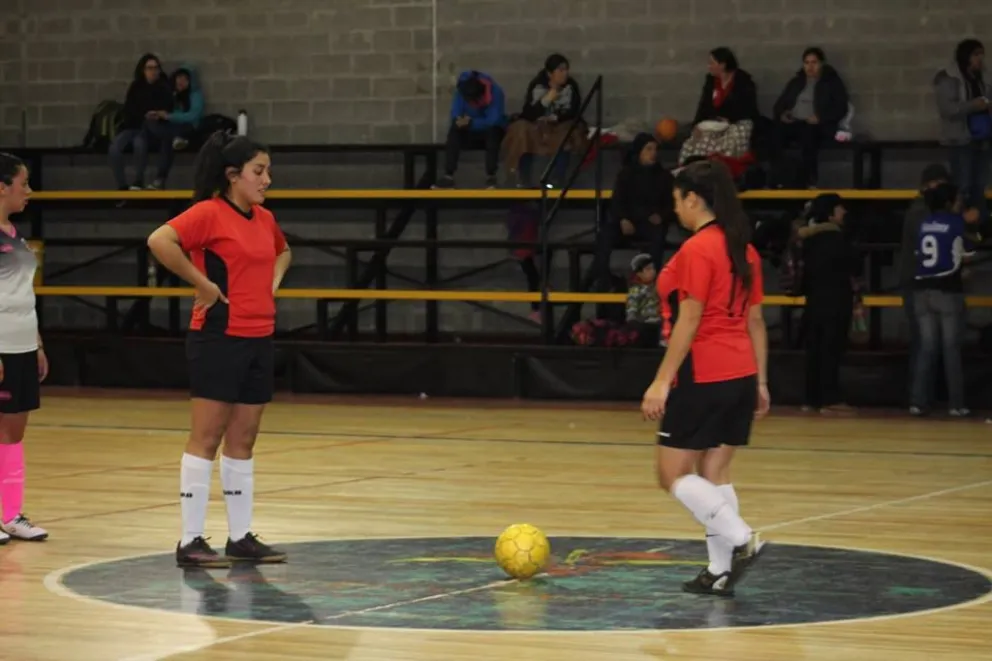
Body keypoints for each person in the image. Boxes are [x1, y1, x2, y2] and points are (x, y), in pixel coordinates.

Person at [146, 132, 293, 567]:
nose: (267, 179)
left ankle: (240, 537)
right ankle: (190, 541)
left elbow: (284, 252)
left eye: (267, 170)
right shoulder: (209, 213)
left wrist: (273, 281)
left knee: (243, 439)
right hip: (218, 337)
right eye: (258, 171)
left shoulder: (264, 219)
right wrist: (203, 283)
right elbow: (159, 240)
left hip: (259, 336)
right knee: (206, 437)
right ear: (233, 176)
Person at [643, 159, 767, 597]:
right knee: (715, 469)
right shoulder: (744, 250)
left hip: (704, 372)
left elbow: (690, 318)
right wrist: (762, 382)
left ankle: (740, 537)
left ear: (693, 199)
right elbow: (756, 321)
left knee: (671, 474)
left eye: (678, 200)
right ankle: (719, 573)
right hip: (741, 372)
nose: (676, 209)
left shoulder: (699, 249)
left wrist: (662, 380)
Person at [0, 152, 49, 544]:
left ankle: (10, 514)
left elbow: (22, 294)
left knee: (13, 434)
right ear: (2, 187)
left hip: (21, 345)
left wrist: (36, 344)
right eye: (23, 183)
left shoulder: (15, 235)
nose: (29, 191)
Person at [909, 181, 978, 417]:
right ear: (950, 202)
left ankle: (917, 401)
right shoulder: (956, 223)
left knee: (927, 348)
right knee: (951, 349)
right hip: (947, 291)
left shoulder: (924, 223)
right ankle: (956, 404)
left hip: (921, 291)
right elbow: (968, 253)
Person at [799, 193, 860, 413]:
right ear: (831, 212)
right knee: (831, 349)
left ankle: (811, 398)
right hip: (836, 300)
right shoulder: (838, 239)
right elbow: (854, 266)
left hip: (813, 300)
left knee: (814, 350)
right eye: (839, 208)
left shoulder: (807, 237)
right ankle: (830, 398)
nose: (843, 212)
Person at [772, 47, 850, 188]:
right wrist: (783, 114)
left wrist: (821, 117)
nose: (810, 67)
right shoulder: (796, 83)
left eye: (814, 62)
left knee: (808, 136)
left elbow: (841, 108)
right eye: (807, 63)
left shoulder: (831, 82)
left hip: (817, 124)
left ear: (821, 64)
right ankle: (778, 179)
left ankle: (810, 180)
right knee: (774, 135)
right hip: (794, 122)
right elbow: (779, 105)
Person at [934, 39, 991, 224]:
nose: (980, 59)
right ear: (966, 56)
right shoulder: (948, 78)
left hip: (982, 138)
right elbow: (947, 109)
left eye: (981, 55)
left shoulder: (982, 77)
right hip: (960, 140)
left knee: (979, 187)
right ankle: (960, 228)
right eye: (976, 55)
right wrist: (973, 105)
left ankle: (979, 228)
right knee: (962, 186)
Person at [109, 53, 175, 190]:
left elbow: (168, 108)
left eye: (156, 68)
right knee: (114, 148)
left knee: (140, 143)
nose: (153, 71)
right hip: (132, 126)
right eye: (149, 68)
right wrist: (143, 114)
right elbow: (128, 110)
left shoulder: (164, 87)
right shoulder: (136, 87)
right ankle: (122, 186)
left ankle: (138, 180)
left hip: (151, 129)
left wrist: (157, 114)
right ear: (143, 70)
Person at [433, 70, 507, 190]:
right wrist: (459, 121)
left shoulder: (495, 92)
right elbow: (456, 114)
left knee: (493, 132)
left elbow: (494, 120)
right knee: (454, 130)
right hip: (469, 130)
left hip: (489, 131)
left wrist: (471, 122)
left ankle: (491, 176)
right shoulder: (461, 90)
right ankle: (448, 176)